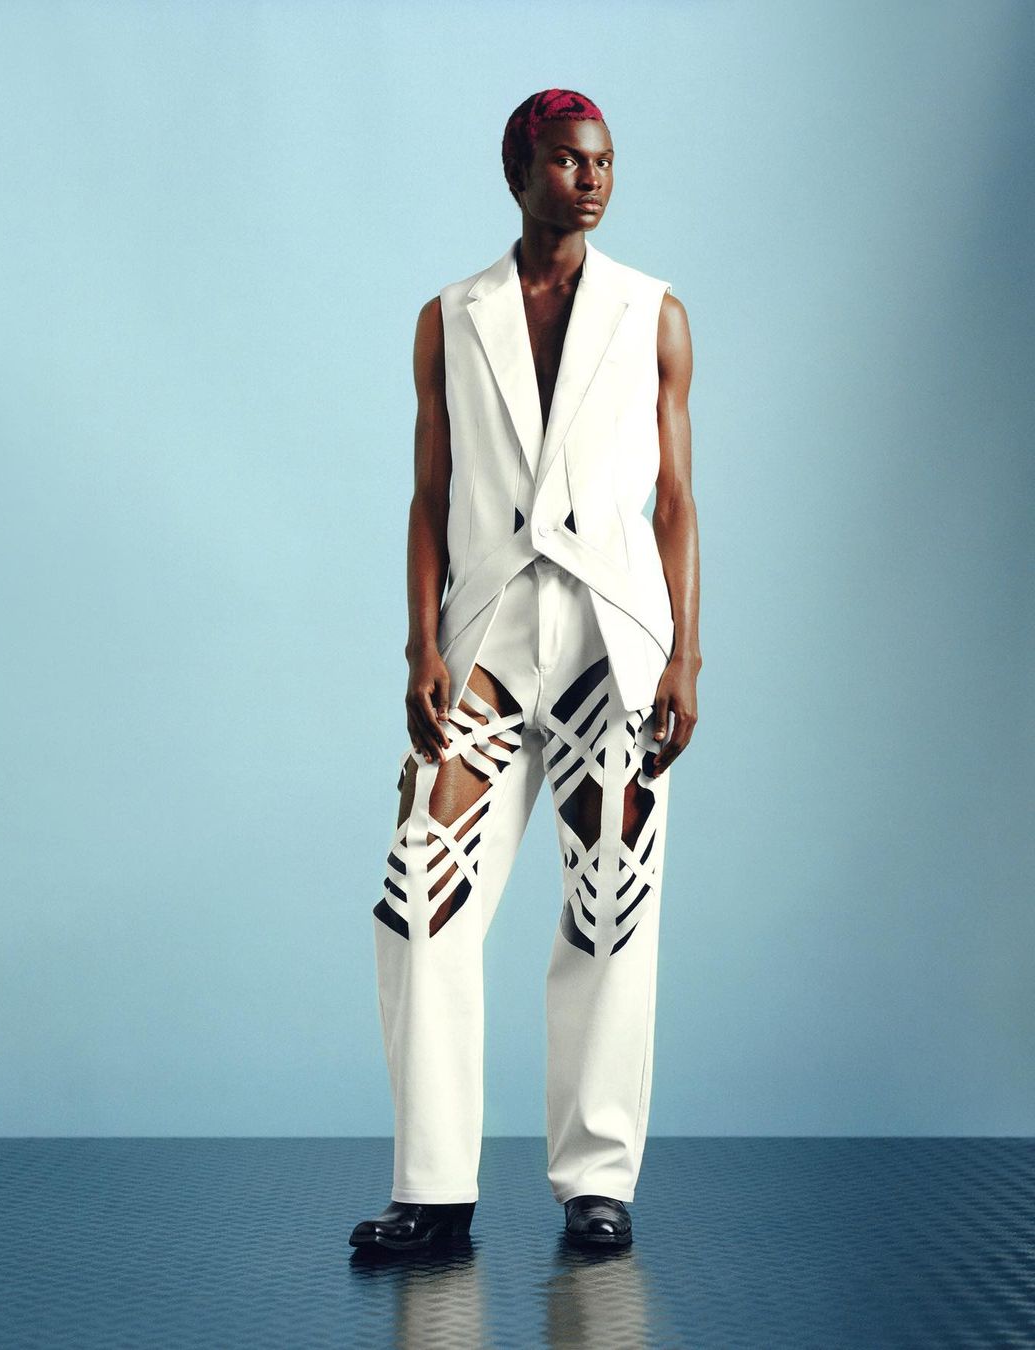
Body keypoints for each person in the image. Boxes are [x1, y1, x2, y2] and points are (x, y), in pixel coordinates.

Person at [350, 88, 700, 1252]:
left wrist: (686, 655)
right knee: (420, 898)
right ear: (519, 171)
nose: (591, 179)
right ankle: (433, 1190)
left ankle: (598, 1182)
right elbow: (429, 495)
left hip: (612, 640)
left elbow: (677, 502)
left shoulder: (653, 313)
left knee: (611, 908)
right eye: (565, 160)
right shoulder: (451, 317)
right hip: (486, 640)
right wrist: (420, 643)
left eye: (602, 160)